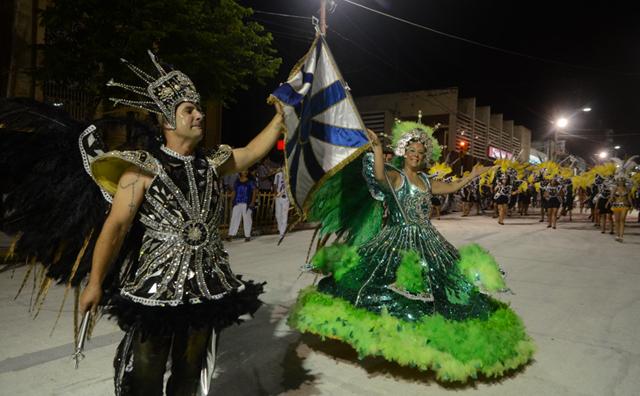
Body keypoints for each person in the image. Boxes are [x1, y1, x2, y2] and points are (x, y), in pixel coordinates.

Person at [78, 51, 284, 395]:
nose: (199, 115)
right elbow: (115, 228)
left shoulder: (212, 161)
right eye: (189, 110)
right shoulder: (142, 168)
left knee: (189, 374)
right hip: (155, 291)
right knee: (146, 375)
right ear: (167, 121)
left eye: (199, 108)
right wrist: (94, 282)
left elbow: (251, 152)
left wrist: (280, 118)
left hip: (205, 287)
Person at [288, 121, 534, 382]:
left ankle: (426, 338)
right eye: (412, 151)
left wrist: (473, 175)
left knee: (441, 289)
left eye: (420, 153)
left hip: (429, 241)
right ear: (405, 152)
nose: (416, 156)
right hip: (396, 239)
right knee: (381, 284)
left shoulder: (427, 181)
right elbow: (380, 176)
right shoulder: (396, 176)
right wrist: (378, 149)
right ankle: (388, 336)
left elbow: (452, 187)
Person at [227, 170, 257, 242]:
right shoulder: (237, 182)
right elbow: (234, 191)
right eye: (244, 171)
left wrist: (252, 202)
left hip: (247, 203)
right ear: (240, 172)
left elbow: (254, 192)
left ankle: (247, 235)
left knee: (247, 220)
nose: (246, 172)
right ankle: (231, 234)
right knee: (234, 218)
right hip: (237, 202)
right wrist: (231, 201)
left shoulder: (250, 182)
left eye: (247, 171)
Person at [609, 177, 632, 242]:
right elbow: (611, 197)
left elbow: (629, 198)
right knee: (617, 220)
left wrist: (632, 205)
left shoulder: (627, 189)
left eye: (622, 181)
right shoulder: (614, 188)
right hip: (616, 205)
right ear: (617, 182)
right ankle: (617, 235)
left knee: (622, 220)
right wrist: (610, 202)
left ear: (624, 182)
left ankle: (621, 236)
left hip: (625, 205)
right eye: (619, 181)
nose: (621, 182)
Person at [273, 167, 289, 242]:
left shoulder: (289, 174)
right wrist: (275, 192)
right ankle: (280, 229)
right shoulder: (278, 175)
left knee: (284, 215)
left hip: (286, 198)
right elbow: (275, 184)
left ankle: (282, 232)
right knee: (277, 214)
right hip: (278, 197)